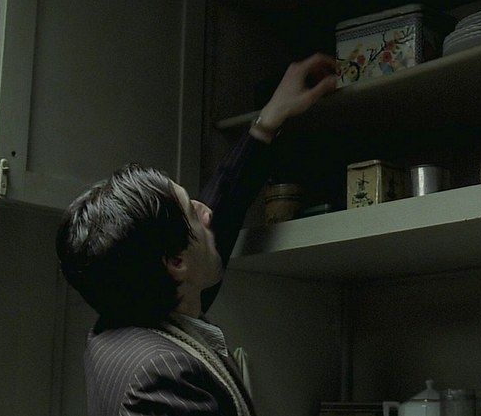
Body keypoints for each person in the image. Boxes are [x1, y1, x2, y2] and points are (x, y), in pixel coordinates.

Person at [55, 53, 337, 416]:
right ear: (176, 262)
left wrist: (267, 122)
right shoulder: (163, 376)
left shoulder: (125, 318)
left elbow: (213, 223)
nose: (207, 211)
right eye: (192, 210)